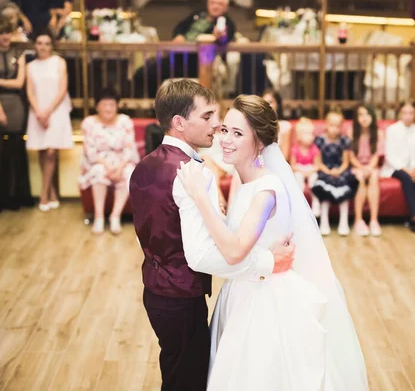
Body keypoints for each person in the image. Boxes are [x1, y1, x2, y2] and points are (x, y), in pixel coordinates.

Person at [177, 94, 368, 390]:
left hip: (265, 299)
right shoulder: (247, 182)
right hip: (244, 289)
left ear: (261, 143)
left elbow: (234, 251)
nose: (225, 139)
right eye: (225, 129)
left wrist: (200, 196)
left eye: (238, 133)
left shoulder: (266, 190)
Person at [129, 79, 296, 390]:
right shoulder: (193, 174)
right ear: (179, 123)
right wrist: (268, 263)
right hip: (182, 297)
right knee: (187, 380)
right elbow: (201, 255)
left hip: (154, 292)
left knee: (176, 371)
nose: (216, 125)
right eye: (207, 117)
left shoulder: (144, 166)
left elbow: (151, 232)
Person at [0, 15, 33, 211]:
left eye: (7, 32)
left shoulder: (18, 53)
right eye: (1, 33)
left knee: (16, 153)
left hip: (16, 105)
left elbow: (19, 83)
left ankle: (16, 197)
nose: (5, 36)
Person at [78, 88, 140, 235]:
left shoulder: (125, 121)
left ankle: (115, 216)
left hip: (122, 161)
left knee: (128, 173)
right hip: (98, 162)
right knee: (99, 172)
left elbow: (129, 148)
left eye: (112, 105)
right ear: (97, 106)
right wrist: (107, 166)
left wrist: (119, 167)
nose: (108, 108)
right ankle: (99, 217)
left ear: (117, 106)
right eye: (104, 104)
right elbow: (90, 150)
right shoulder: (89, 122)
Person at [26, 31, 73, 211]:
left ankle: (43, 195)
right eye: (39, 43)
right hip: (37, 110)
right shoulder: (30, 66)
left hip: (56, 110)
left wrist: (48, 112)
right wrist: (39, 111)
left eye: (46, 43)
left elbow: (62, 89)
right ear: (35, 46)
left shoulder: (59, 62)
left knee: (52, 152)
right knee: (42, 151)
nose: (43, 47)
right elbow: (30, 91)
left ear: (51, 46)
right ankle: (52, 192)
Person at [381, 99, 415, 237]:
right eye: (405, 112)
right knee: (407, 178)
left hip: (414, 167)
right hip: (395, 167)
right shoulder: (391, 130)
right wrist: (405, 169)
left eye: (411, 113)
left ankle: (414, 218)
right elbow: (389, 155)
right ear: (400, 113)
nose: (408, 116)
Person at [311, 109, 358, 236]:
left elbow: (346, 162)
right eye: (331, 125)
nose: (334, 129)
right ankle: (324, 221)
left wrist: (339, 171)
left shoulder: (344, 141)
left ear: (341, 127)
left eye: (338, 126)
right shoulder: (319, 140)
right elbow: (318, 161)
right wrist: (328, 171)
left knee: (344, 186)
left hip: (340, 170)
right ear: (326, 125)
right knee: (325, 187)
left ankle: (344, 221)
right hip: (325, 169)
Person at [350, 104, 384, 237]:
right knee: (360, 179)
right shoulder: (351, 132)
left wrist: (369, 168)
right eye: (360, 115)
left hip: (372, 166)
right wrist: (361, 168)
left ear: (372, 116)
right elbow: (350, 156)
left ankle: (374, 220)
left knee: (374, 177)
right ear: (356, 118)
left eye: (367, 114)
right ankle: (358, 220)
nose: (364, 118)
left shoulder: (379, 133)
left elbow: (376, 155)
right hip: (356, 166)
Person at [290, 117, 320, 216]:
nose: (311, 137)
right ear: (299, 136)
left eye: (312, 134)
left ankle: (316, 204)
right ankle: (299, 205)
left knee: (314, 178)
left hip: (310, 170)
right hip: (299, 170)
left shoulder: (314, 149)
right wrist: (302, 170)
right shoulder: (295, 149)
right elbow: (292, 166)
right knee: (298, 177)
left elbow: (317, 166)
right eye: (307, 134)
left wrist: (310, 171)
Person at [262, 88, 291, 160]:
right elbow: (255, 154)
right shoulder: (257, 124)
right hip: (259, 164)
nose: (267, 105)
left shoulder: (285, 126)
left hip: (277, 165)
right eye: (264, 102)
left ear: (277, 104)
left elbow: (285, 156)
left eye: (271, 102)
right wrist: (258, 167)